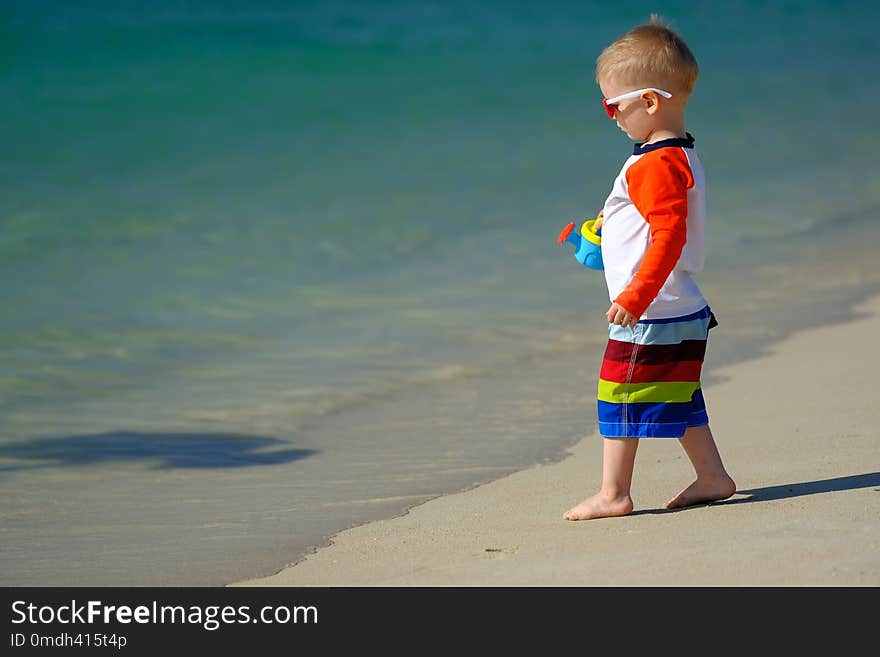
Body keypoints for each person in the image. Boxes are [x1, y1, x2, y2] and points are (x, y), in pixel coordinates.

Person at [564, 16, 736, 521]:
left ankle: (613, 492)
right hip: (679, 304)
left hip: (654, 310)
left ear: (650, 101)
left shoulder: (657, 165)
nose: (611, 116)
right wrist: (605, 232)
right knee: (677, 393)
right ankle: (713, 476)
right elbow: (654, 226)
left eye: (612, 105)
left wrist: (635, 295)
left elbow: (668, 236)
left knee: (618, 394)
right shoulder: (677, 154)